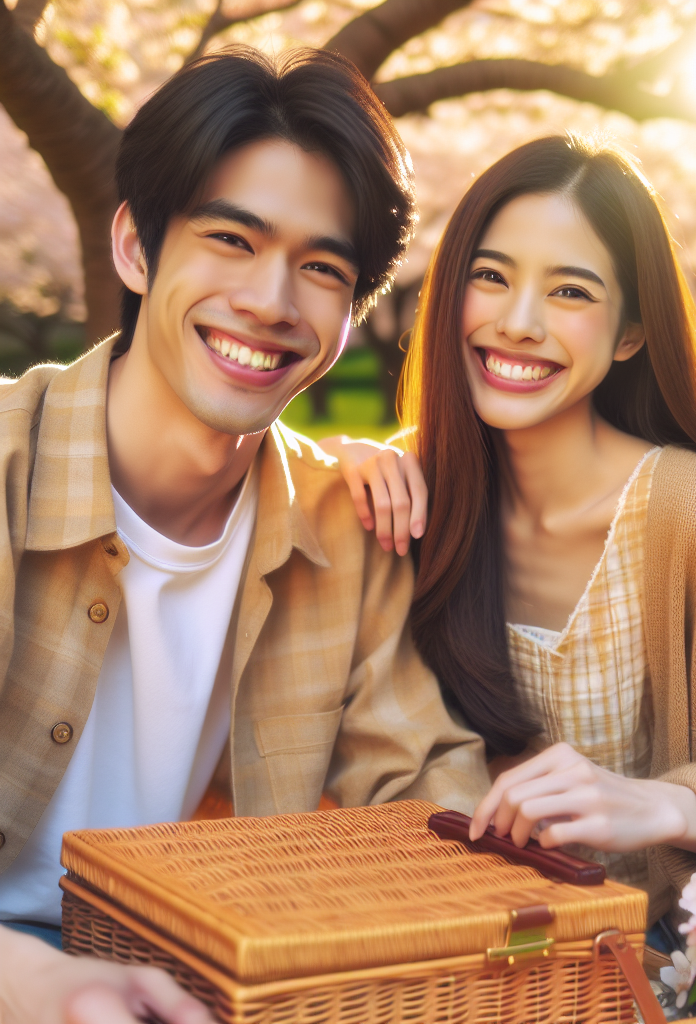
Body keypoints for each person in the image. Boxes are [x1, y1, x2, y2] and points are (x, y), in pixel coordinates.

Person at [337, 136, 696, 1023]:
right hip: (496, 940)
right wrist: (340, 460)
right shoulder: (412, 503)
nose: (518, 320)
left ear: (633, 331)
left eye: (571, 291)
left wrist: (661, 805)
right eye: (491, 277)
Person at [0, 48, 488, 1024]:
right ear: (135, 246)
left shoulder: (347, 530)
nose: (270, 302)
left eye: (320, 269)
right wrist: (34, 982)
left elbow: (426, 797)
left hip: (198, 979)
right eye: (231, 239)